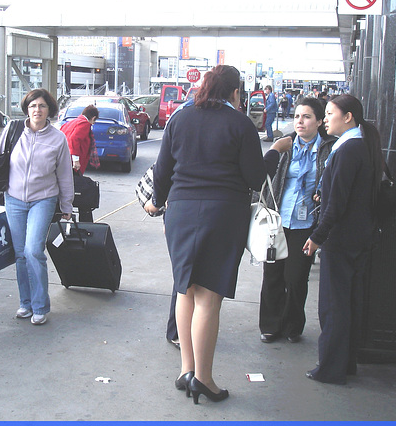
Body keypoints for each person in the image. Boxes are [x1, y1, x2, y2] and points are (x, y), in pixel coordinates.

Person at [144, 65, 284, 404]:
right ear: (235, 92)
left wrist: (156, 202)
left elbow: (162, 170)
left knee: (185, 290)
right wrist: (275, 153)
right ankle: (204, 380)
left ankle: (186, 371)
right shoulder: (239, 123)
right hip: (222, 214)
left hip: (179, 212)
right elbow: (254, 178)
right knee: (209, 297)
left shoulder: (180, 118)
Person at [303, 94, 383, 384]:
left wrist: (317, 237)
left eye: (329, 113)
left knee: (334, 305)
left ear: (348, 117)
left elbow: (337, 204)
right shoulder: (360, 146)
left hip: (342, 237)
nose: (325, 119)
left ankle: (330, 368)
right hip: (359, 235)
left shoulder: (348, 149)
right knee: (349, 301)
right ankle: (346, 363)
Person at [0, 89, 74, 326]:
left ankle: (41, 305)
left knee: (34, 250)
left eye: (42, 106)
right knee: (20, 253)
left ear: (49, 110)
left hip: (43, 199)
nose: (37, 110)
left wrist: (66, 205)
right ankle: (26, 303)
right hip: (14, 199)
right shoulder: (13, 131)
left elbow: (64, 174)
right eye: (33, 106)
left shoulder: (58, 138)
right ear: (27, 108)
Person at [258, 98, 337, 344]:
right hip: (278, 220)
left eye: (306, 117)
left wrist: (321, 195)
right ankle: (270, 325)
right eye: (297, 117)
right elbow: (263, 175)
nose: (300, 122)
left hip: (306, 222)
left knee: (295, 276)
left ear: (320, 121)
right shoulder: (286, 145)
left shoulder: (328, 148)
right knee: (272, 273)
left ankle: (292, 325)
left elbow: (334, 182)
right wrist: (274, 150)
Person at [60, 104, 100, 222]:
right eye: (94, 121)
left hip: (63, 163)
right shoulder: (84, 124)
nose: (93, 123)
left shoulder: (71, 122)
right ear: (93, 118)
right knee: (81, 191)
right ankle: (85, 220)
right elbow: (74, 139)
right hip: (71, 164)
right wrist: (76, 159)